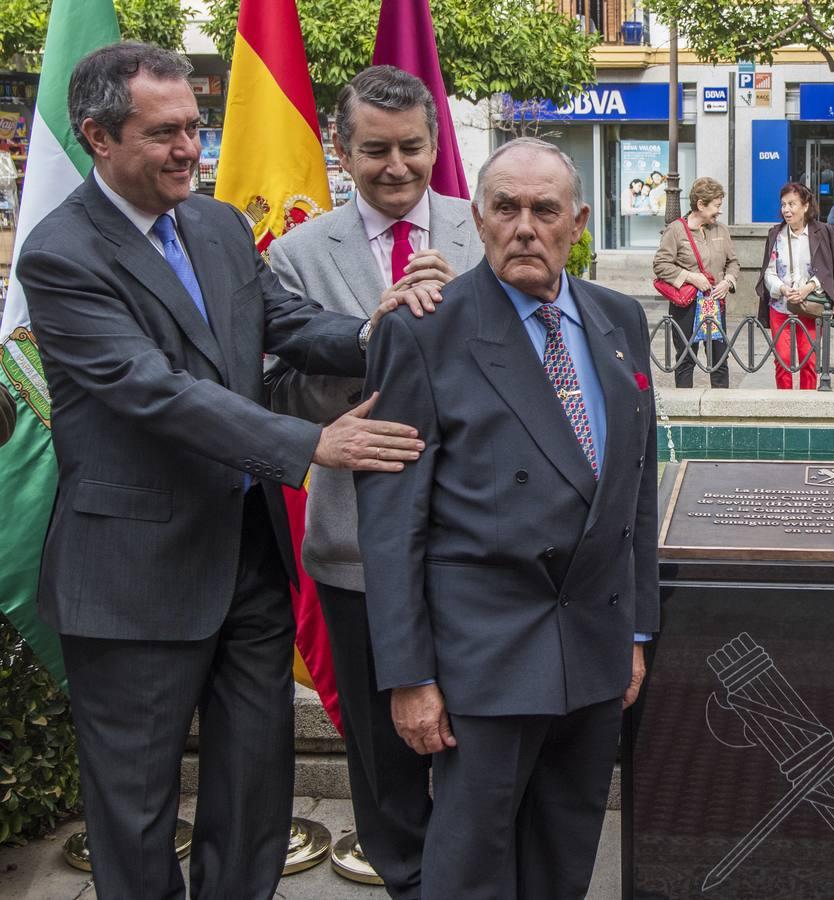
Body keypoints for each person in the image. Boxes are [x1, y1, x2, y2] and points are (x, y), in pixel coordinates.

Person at [15, 43, 436, 899]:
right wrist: (307, 445)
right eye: (163, 132)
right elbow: (153, 391)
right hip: (133, 578)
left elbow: (281, 319)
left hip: (245, 562)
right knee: (134, 814)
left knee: (254, 796)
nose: (189, 150)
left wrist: (371, 331)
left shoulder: (214, 224)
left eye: (195, 129)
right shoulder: (60, 256)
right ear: (96, 136)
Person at [355, 137, 658, 898]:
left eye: (545, 210)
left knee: (564, 858)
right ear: (478, 220)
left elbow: (635, 489)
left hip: (593, 648)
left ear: (578, 221)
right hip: (481, 662)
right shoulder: (425, 330)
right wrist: (409, 675)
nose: (525, 226)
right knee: (470, 871)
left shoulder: (622, 320)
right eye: (506, 208)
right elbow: (393, 523)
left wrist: (636, 632)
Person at [265, 66, 483, 899]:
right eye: (376, 151)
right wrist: (372, 343)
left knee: (480, 748)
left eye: (413, 149)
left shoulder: (486, 229)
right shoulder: (293, 254)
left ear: (436, 144)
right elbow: (273, 390)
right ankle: (405, 882)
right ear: (340, 150)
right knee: (384, 761)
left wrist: (456, 313)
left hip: (474, 547)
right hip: (357, 550)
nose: (397, 168)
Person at [754, 182, 834, 391]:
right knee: (782, 360)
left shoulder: (824, 232)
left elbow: (829, 271)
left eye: (792, 204)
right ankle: (784, 402)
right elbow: (769, 272)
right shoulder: (776, 234)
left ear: (805, 205)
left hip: (810, 304)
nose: (786, 209)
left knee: (808, 359)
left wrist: (808, 288)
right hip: (780, 305)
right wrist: (784, 289)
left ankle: (808, 404)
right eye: (783, 204)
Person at [652, 176, 740, 389]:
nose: (719, 211)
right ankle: (685, 411)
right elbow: (661, 265)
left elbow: (733, 262)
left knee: (719, 360)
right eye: (716, 206)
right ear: (700, 204)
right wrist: (691, 277)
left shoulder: (721, 230)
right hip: (686, 306)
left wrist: (728, 281)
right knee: (685, 360)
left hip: (714, 305)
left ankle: (721, 412)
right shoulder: (676, 230)